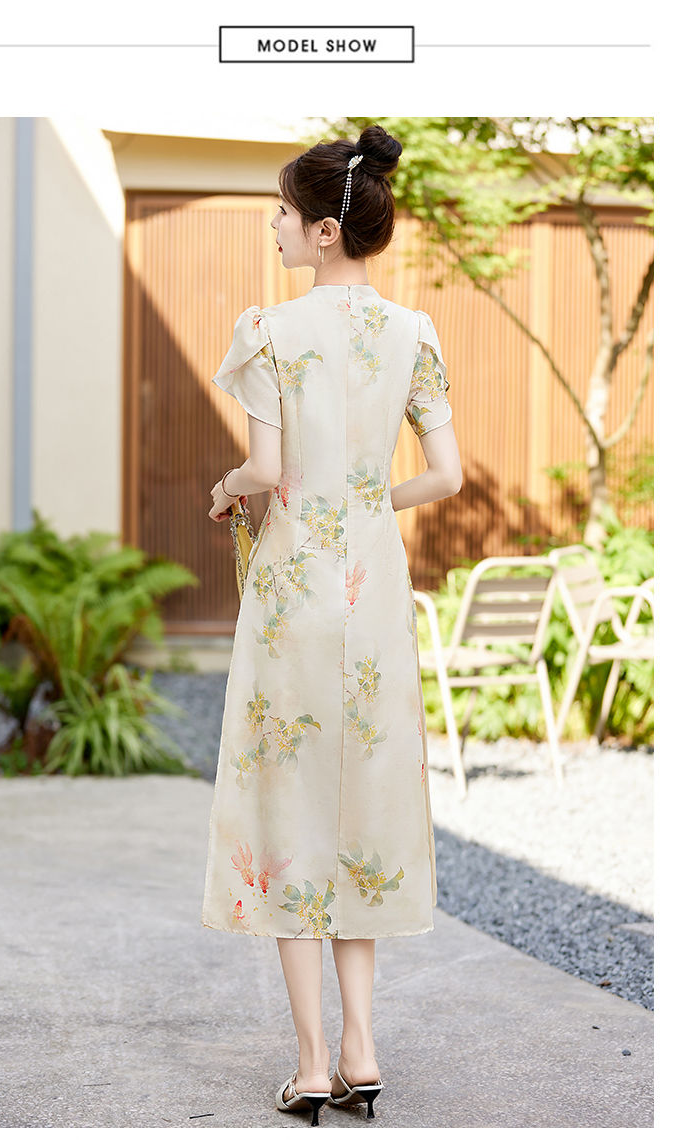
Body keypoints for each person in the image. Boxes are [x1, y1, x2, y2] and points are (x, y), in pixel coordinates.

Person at [203, 124, 462, 1126]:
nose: (271, 227)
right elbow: (446, 477)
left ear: (322, 230)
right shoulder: (414, 332)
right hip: (374, 590)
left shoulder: (270, 330)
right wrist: (364, 504)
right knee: (362, 810)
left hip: (294, 595)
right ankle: (363, 1050)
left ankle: (311, 1064)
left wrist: (231, 488)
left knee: (289, 811)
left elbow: (268, 471)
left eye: (281, 213)